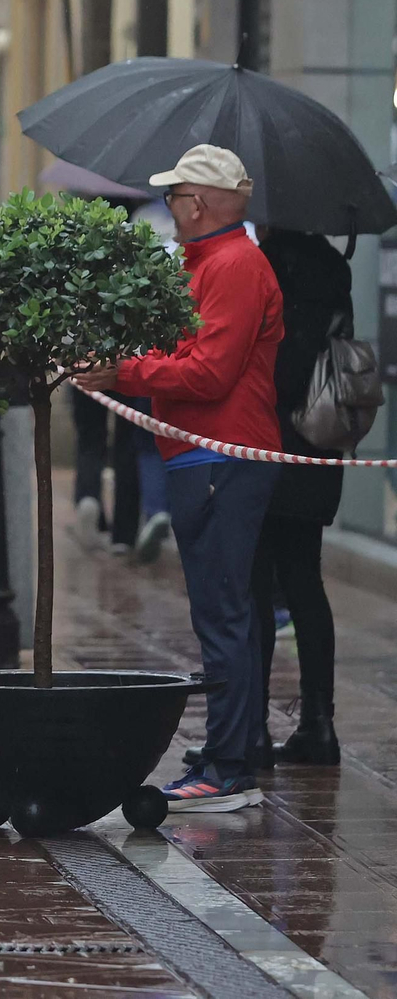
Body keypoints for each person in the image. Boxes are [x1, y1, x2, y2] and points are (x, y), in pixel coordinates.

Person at [79, 145, 283, 813]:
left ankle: (228, 767)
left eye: (173, 196)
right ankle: (232, 750)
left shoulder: (233, 265)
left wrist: (125, 374)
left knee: (222, 613)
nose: (167, 206)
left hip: (220, 456)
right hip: (208, 455)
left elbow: (210, 373)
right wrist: (129, 363)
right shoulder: (211, 262)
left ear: (197, 203)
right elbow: (190, 356)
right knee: (226, 612)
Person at [254, 228, 352, 765]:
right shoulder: (334, 268)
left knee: (255, 586)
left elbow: (282, 372)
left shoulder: (272, 267)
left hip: (270, 443)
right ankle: (319, 722)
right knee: (303, 581)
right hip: (319, 442)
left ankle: (251, 725)